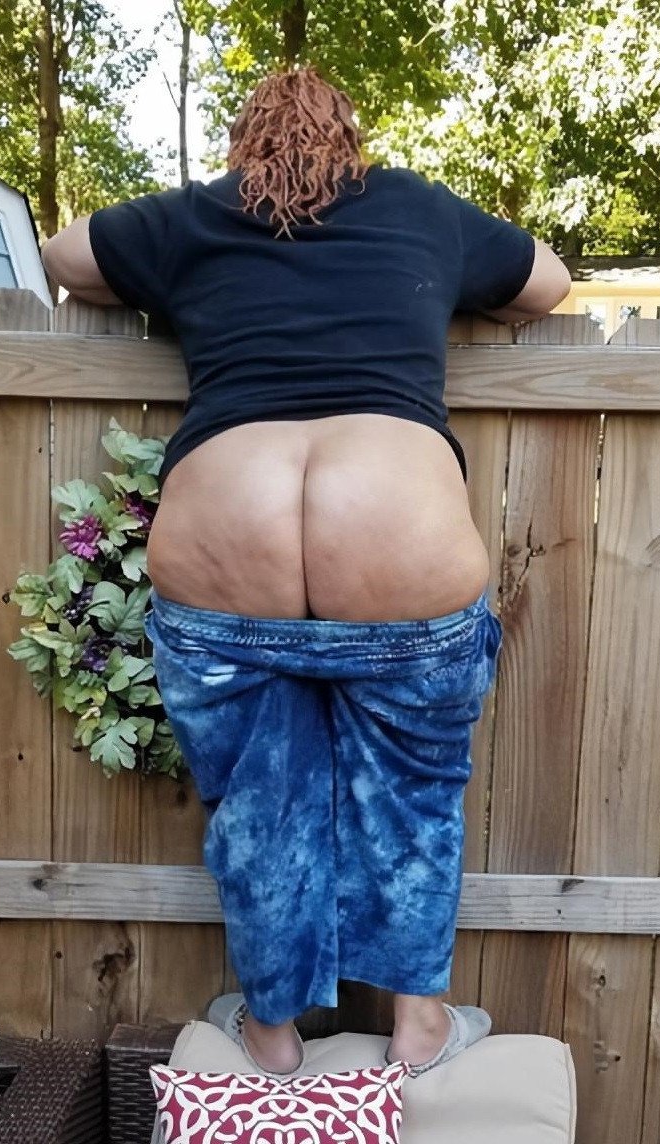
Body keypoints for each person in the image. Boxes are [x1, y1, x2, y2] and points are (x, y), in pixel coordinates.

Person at [42, 66, 570, 1079]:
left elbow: (66, 257)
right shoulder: (418, 208)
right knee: (414, 799)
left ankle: (272, 1035)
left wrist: (161, 277)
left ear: (244, 144)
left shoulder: (193, 217)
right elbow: (547, 282)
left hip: (222, 560)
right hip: (396, 553)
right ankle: (418, 1025)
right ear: (351, 139)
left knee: (257, 803)